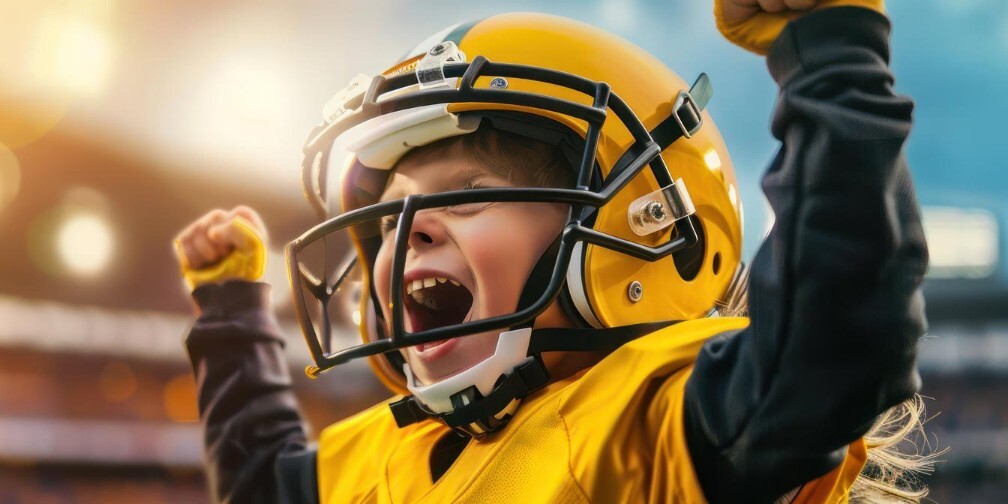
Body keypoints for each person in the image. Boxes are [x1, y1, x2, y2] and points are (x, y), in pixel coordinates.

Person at [174, 1, 934, 502]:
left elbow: (834, 340)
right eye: (390, 214)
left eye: (465, 193)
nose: (410, 231)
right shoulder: (393, 455)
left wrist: (831, 51)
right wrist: (231, 313)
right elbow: (260, 485)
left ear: (641, 229)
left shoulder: (644, 424)